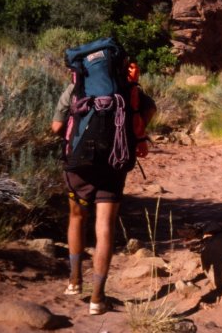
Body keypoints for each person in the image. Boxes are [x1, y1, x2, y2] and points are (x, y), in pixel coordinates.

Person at [51, 61, 156, 316]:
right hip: (113, 163)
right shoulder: (127, 88)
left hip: (78, 165)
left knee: (77, 217)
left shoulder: (77, 87)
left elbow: (56, 127)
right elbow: (150, 109)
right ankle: (98, 298)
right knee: (105, 226)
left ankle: (74, 282)